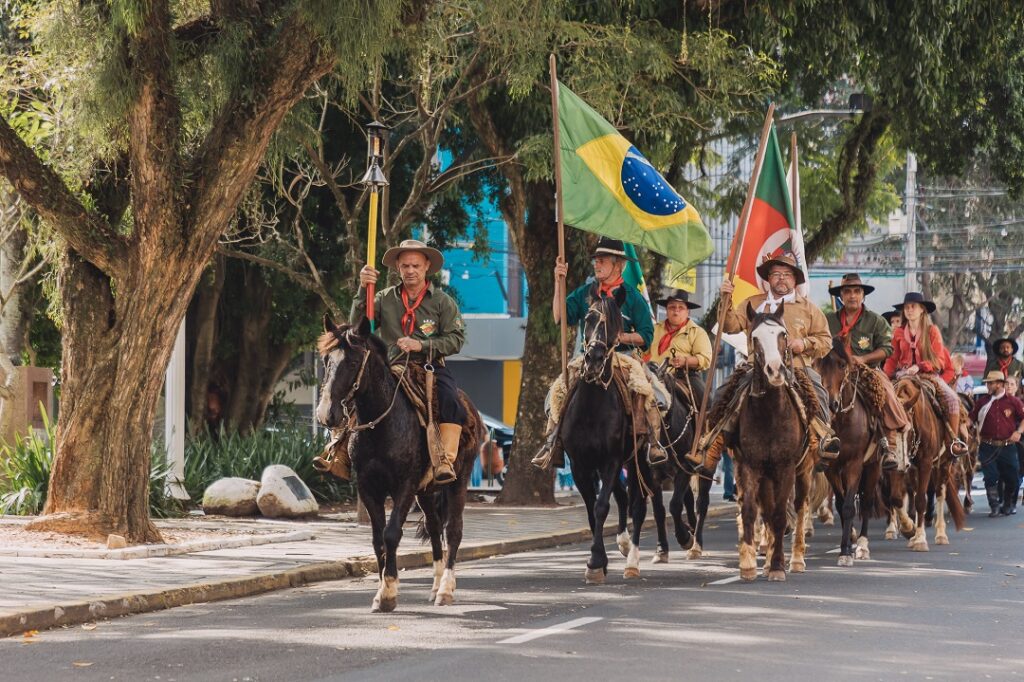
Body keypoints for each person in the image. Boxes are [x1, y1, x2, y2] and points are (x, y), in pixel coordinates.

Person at [690, 253, 841, 472]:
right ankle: (713, 446)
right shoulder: (753, 303)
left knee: (818, 393)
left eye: (787, 274)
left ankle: (820, 441)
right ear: (768, 278)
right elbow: (730, 326)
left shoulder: (808, 308)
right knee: (724, 393)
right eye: (776, 274)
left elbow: (826, 340)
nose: (782, 279)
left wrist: (805, 343)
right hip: (755, 368)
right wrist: (725, 300)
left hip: (796, 367)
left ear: (794, 280)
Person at [532, 237, 660, 469]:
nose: (596, 265)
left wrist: (620, 337)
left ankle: (652, 441)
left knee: (648, 389)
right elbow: (560, 317)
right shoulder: (585, 293)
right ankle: (552, 443)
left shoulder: (632, 297)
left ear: (618, 265)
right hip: (588, 357)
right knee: (558, 389)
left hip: (623, 358)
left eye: (601, 261)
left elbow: (646, 335)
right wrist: (558, 282)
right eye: (596, 261)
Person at [347, 239, 468, 484]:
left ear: (426, 266)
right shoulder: (382, 298)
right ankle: (338, 452)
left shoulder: (443, 302)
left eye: (415, 265)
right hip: (390, 367)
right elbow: (359, 330)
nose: (410, 271)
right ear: (398, 269)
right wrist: (363, 289)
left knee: (450, 400)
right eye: (405, 266)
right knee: (354, 394)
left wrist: (421, 345)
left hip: (429, 367)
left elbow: (456, 339)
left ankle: (444, 460)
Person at [825, 273, 911, 470]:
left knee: (885, 391)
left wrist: (862, 358)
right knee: (814, 392)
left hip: (866, 370)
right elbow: (820, 343)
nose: (852, 296)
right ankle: (813, 441)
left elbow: (887, 349)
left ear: (863, 295)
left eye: (857, 291)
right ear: (841, 296)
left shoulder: (876, 320)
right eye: (847, 292)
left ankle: (889, 445)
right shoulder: (829, 320)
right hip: (835, 371)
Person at [883, 292, 969, 456]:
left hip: (929, 375)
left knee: (952, 399)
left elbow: (940, 360)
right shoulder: (899, 333)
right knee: (883, 398)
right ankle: (885, 443)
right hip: (903, 375)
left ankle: (953, 442)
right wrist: (885, 376)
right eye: (907, 307)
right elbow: (892, 360)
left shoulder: (932, 331)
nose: (909, 310)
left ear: (922, 309)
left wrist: (921, 366)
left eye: (913, 306)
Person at [968, 370, 1024, 516]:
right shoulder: (982, 402)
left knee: (1012, 477)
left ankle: (1007, 503)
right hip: (987, 445)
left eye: (991, 383)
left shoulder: (1013, 401)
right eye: (988, 383)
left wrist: (1018, 432)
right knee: (990, 477)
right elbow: (970, 420)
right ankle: (994, 505)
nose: (988, 386)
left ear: (1000, 384)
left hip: (1007, 446)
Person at [647, 288, 712, 398]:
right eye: (672, 307)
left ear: (688, 312)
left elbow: (705, 359)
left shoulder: (697, 332)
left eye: (681, 308)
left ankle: (708, 415)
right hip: (652, 376)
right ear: (666, 310)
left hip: (684, 377)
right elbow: (641, 352)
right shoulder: (653, 330)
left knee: (707, 401)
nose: (676, 311)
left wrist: (685, 361)